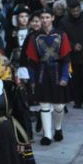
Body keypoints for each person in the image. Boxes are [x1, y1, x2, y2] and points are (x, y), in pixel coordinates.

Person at [24, 8, 72, 145]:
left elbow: (66, 59)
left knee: (59, 107)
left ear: (52, 18)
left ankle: (58, 128)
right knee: (44, 105)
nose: (44, 20)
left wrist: (64, 77)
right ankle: (47, 135)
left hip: (57, 72)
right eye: (42, 18)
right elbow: (32, 62)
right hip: (42, 73)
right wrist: (32, 80)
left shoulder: (61, 35)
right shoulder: (34, 37)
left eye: (47, 17)